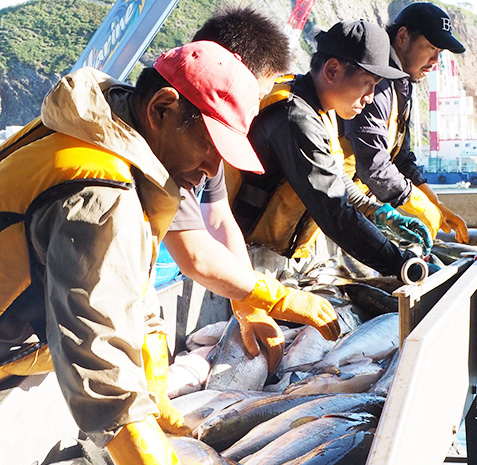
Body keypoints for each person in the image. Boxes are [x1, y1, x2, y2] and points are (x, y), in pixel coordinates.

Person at [0, 41, 339, 465]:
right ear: (162, 108)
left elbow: (120, 282)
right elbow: (96, 349)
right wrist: (145, 447)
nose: (214, 169)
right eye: (210, 146)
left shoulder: (102, 134)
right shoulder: (99, 189)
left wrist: (154, 377)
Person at [162, 6, 308, 373]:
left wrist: (250, 304)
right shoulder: (170, 142)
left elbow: (218, 215)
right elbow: (195, 254)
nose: (252, 112)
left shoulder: (201, 142)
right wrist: (263, 293)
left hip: (161, 290)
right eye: (252, 96)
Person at [230, 19, 431, 279]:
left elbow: (334, 177)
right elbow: (335, 213)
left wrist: (378, 212)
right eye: (368, 83)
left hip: (280, 257)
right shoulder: (295, 118)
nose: (370, 97)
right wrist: (402, 264)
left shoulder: (317, 108)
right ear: (333, 70)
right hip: (250, 259)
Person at [341, 2, 469, 243]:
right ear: (402, 36)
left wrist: (436, 206)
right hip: (335, 207)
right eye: (430, 47)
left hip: (353, 210)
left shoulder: (402, 84)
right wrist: (422, 209)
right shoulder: (377, 83)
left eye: (440, 52)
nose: (435, 60)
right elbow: (374, 165)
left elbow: (401, 159)